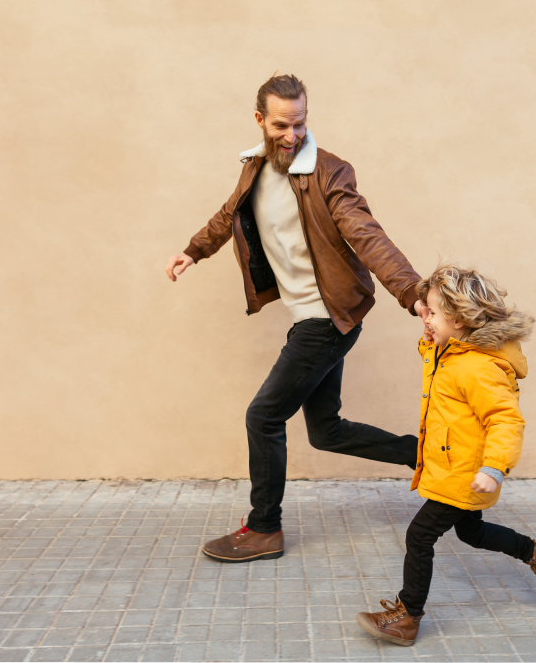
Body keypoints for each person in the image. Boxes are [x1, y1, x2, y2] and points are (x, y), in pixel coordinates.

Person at [164, 74, 426, 562]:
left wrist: (411, 291)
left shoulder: (330, 173)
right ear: (260, 120)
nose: (292, 135)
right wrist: (193, 251)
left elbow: (367, 235)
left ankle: (264, 529)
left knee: (263, 417)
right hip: (309, 317)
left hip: (327, 317)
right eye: (281, 125)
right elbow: (228, 215)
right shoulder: (255, 168)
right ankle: (434, 457)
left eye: (300, 124)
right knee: (326, 430)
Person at [356, 264, 536, 647]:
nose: (427, 318)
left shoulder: (478, 366)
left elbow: (505, 420)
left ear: (459, 319)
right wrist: (429, 325)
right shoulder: (453, 352)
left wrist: (493, 468)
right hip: (455, 469)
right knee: (472, 532)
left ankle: (407, 616)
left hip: (466, 473)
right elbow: (434, 360)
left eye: (433, 312)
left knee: (419, 536)